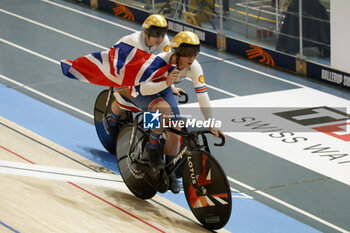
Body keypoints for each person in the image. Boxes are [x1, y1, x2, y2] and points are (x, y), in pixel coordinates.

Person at [115, 31, 225, 194]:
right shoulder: (159, 62)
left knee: (176, 132)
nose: (192, 58)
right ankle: (152, 148)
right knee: (162, 110)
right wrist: (166, 83)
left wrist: (210, 123)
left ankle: (168, 170)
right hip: (138, 89)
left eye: (195, 53)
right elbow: (144, 89)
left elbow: (203, 95)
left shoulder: (194, 67)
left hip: (163, 87)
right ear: (177, 53)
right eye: (187, 54)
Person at [104, 14, 179, 136]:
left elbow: (165, 64)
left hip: (143, 72)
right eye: (156, 34)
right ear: (147, 33)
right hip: (122, 71)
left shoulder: (164, 40)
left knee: (163, 106)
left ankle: (150, 132)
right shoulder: (134, 43)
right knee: (126, 99)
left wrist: (170, 86)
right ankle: (112, 121)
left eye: (163, 33)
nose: (160, 38)